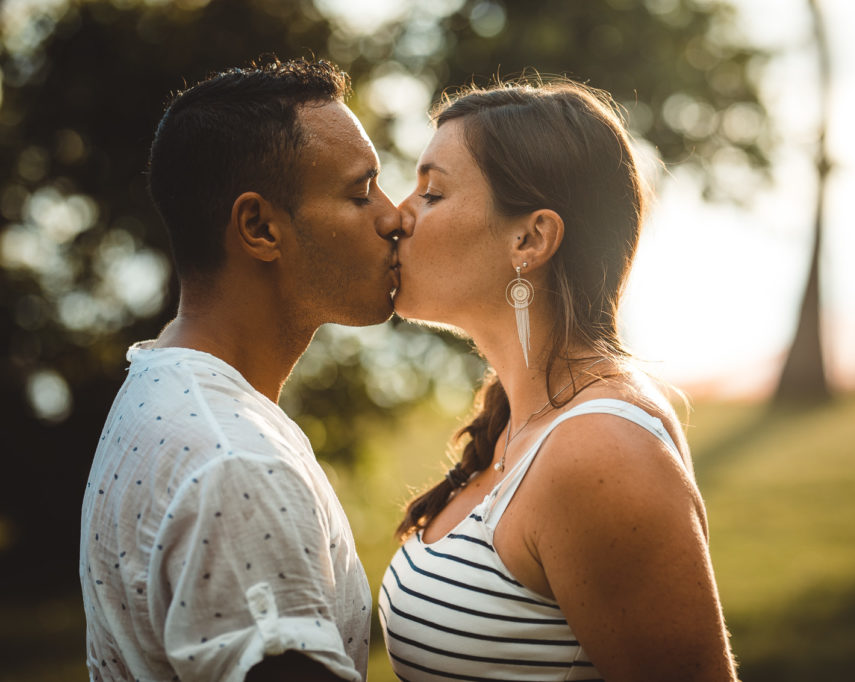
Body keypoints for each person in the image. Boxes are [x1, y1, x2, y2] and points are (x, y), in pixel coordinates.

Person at [378, 79, 738, 681]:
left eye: (432, 193)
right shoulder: (523, 421)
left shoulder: (600, 450)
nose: (396, 215)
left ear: (530, 238)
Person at [79, 58, 400, 682]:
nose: (393, 218)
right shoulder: (234, 462)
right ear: (258, 227)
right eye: (361, 193)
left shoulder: (158, 390)